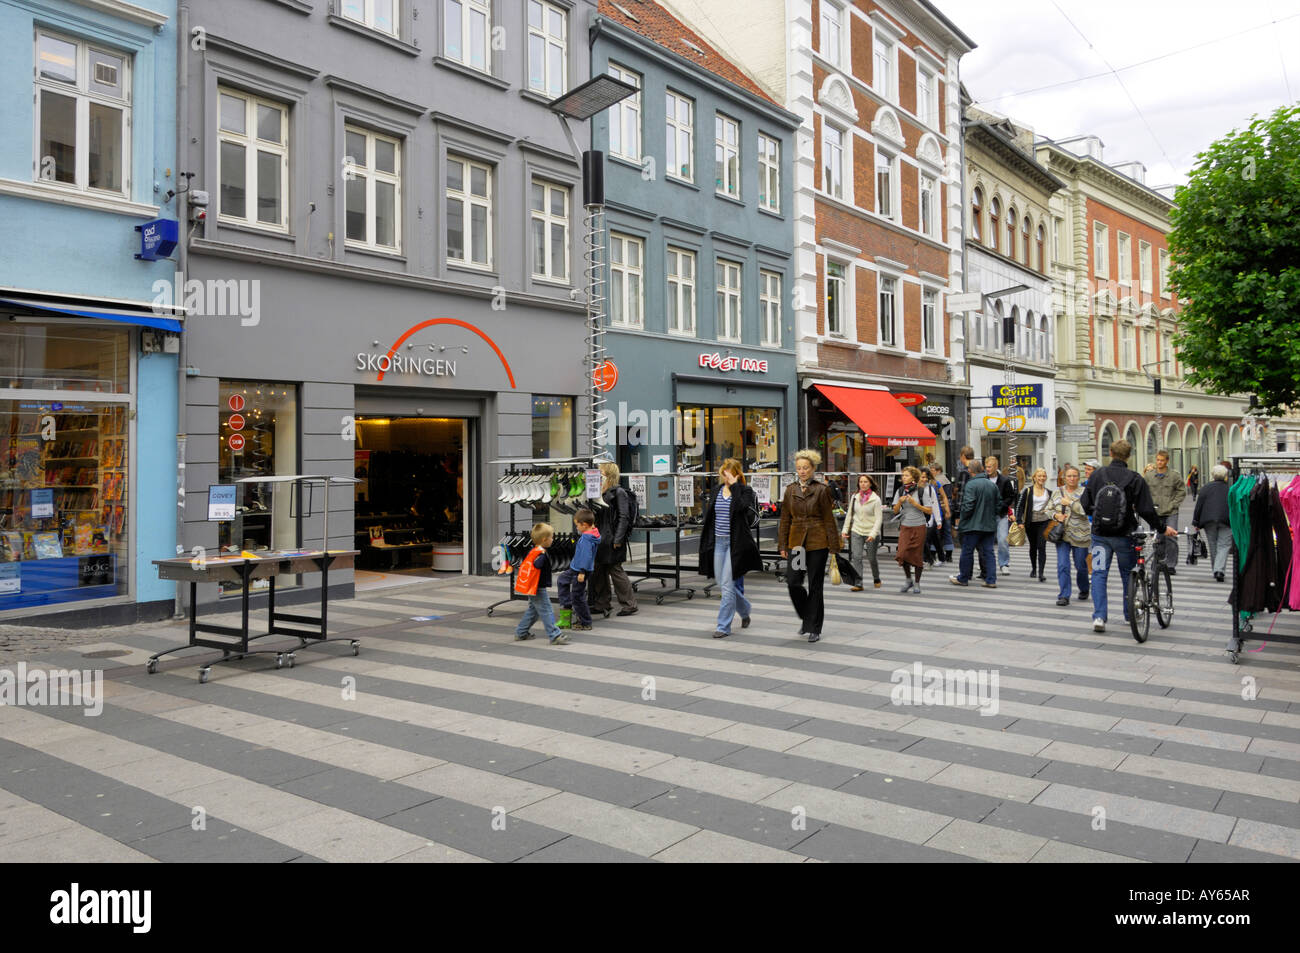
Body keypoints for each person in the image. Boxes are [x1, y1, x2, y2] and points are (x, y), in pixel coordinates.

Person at [1080, 439, 1178, 632]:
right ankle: (1129, 613)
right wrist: (1161, 528)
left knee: (1099, 574)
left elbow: (1084, 503)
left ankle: (1099, 617)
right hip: (1125, 535)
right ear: (1129, 456)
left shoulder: (1097, 475)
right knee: (1128, 574)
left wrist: (1099, 515)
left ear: (1110, 453)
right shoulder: (1135, 478)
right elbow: (1146, 509)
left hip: (1100, 535)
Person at [778, 449, 841, 643]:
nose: (802, 471)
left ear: (813, 469)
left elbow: (829, 519)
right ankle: (807, 616)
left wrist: (834, 546)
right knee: (793, 582)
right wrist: (782, 544)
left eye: (806, 468)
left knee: (815, 585)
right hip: (797, 543)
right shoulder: (790, 490)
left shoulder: (822, 490)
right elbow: (785, 519)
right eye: (799, 468)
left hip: (818, 542)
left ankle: (814, 627)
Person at [699, 459, 761, 638]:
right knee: (722, 582)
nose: (725, 477)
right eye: (723, 473)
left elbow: (743, 508)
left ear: (736, 473)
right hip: (718, 542)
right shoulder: (717, 490)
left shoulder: (745, 491)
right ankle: (745, 608)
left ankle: (723, 626)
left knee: (727, 585)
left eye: (728, 473)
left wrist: (734, 486)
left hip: (735, 544)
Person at [590, 462, 638, 618]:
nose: (598, 473)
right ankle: (602, 603)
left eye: (601, 471)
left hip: (611, 538)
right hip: (599, 538)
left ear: (608, 474)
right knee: (599, 570)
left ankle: (629, 604)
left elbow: (624, 517)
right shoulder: (598, 491)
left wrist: (618, 539)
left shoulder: (618, 492)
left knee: (615, 570)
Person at [514, 523, 571, 645]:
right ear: (545, 540)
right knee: (547, 610)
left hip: (533, 587)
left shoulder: (534, 550)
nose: (553, 539)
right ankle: (555, 635)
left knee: (533, 612)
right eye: (551, 537)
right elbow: (536, 565)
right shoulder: (541, 554)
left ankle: (521, 633)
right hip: (538, 588)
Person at [949, 460, 999, 588]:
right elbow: (999, 505)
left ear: (970, 471)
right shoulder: (992, 485)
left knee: (967, 551)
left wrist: (963, 519)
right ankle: (991, 579)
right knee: (989, 552)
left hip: (972, 525)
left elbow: (968, 505)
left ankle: (963, 577)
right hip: (989, 525)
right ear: (982, 469)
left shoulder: (971, 485)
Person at [1050, 465, 1091, 606]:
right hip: (1062, 534)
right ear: (1064, 478)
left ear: (1079, 478)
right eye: (1069, 476)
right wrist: (1055, 515)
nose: (1072, 478)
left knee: (1081, 565)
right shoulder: (1057, 492)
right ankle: (1064, 595)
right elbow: (1048, 509)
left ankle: (1084, 588)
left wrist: (1071, 503)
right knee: (1063, 565)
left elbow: (1086, 511)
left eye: (1074, 476)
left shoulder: (1085, 492)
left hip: (1081, 534)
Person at [892, 466, 934, 593]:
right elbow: (895, 511)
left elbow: (929, 510)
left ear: (913, 477)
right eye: (903, 475)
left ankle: (917, 582)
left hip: (919, 526)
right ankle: (908, 579)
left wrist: (915, 504)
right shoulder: (900, 491)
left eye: (906, 475)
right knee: (902, 553)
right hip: (905, 525)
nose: (903, 477)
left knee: (916, 555)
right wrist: (899, 502)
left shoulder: (921, 491)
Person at [1143, 450, 1187, 572]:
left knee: (1171, 537)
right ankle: (1159, 562)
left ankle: (1171, 565)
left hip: (1171, 512)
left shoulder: (1174, 475)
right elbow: (1143, 492)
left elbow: (1182, 491)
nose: (1159, 462)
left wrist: (1174, 504)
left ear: (1167, 461)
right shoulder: (1149, 476)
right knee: (1158, 539)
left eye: (1162, 460)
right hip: (1155, 513)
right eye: (1158, 460)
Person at [556, 508, 599, 631]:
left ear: (584, 525)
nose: (576, 528)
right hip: (576, 568)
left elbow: (586, 556)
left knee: (578, 597)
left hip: (580, 571)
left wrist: (582, 572)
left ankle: (585, 622)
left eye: (577, 526)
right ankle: (566, 609)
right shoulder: (591, 533)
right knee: (562, 580)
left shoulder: (587, 538)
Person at [841, 473, 883, 590]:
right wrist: (845, 530)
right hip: (857, 530)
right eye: (861, 482)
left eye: (865, 482)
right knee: (857, 557)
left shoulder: (876, 499)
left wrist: (873, 534)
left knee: (871, 558)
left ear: (870, 484)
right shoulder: (855, 497)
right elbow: (849, 515)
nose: (863, 484)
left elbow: (879, 519)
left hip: (871, 533)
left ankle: (876, 577)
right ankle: (858, 582)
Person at [1191, 464, 1232, 582]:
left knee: (1213, 544)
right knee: (1224, 545)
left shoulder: (1205, 488)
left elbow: (1199, 505)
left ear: (1213, 475)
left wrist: (1196, 521)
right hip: (1226, 520)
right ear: (1225, 476)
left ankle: (1217, 569)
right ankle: (1219, 570)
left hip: (1209, 520)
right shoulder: (1230, 488)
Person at [1013, 467, 1053, 581]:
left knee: (1042, 546)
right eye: (1039, 476)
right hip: (1030, 522)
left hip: (1044, 522)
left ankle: (1041, 573)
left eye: (1044, 476)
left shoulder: (1049, 492)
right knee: (1033, 546)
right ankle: (1034, 569)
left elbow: (1054, 506)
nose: (1041, 478)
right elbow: (1019, 506)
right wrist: (1019, 521)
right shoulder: (1028, 491)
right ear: (1034, 477)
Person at [986, 456, 1016, 575]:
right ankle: (986, 562)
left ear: (996, 467)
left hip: (1001, 514)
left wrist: (1002, 505)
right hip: (986, 515)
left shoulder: (1004, 480)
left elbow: (1011, 496)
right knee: (986, 541)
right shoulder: (984, 479)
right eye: (986, 466)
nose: (987, 469)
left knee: (1003, 539)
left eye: (990, 466)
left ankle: (1004, 563)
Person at [929, 464, 954, 562]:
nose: (931, 471)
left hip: (939, 507)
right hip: (946, 506)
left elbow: (942, 496)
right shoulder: (946, 479)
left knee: (936, 531)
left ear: (938, 470)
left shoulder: (936, 481)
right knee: (947, 531)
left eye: (932, 469)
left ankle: (934, 553)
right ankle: (949, 554)